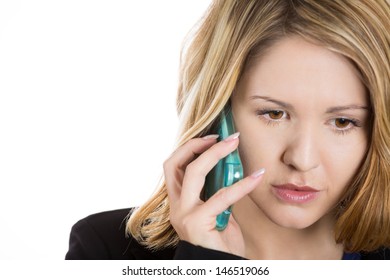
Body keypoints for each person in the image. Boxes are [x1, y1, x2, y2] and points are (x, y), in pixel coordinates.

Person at [66, 0, 390, 260]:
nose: (302, 160)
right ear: (220, 110)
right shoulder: (104, 251)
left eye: (343, 122)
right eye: (274, 114)